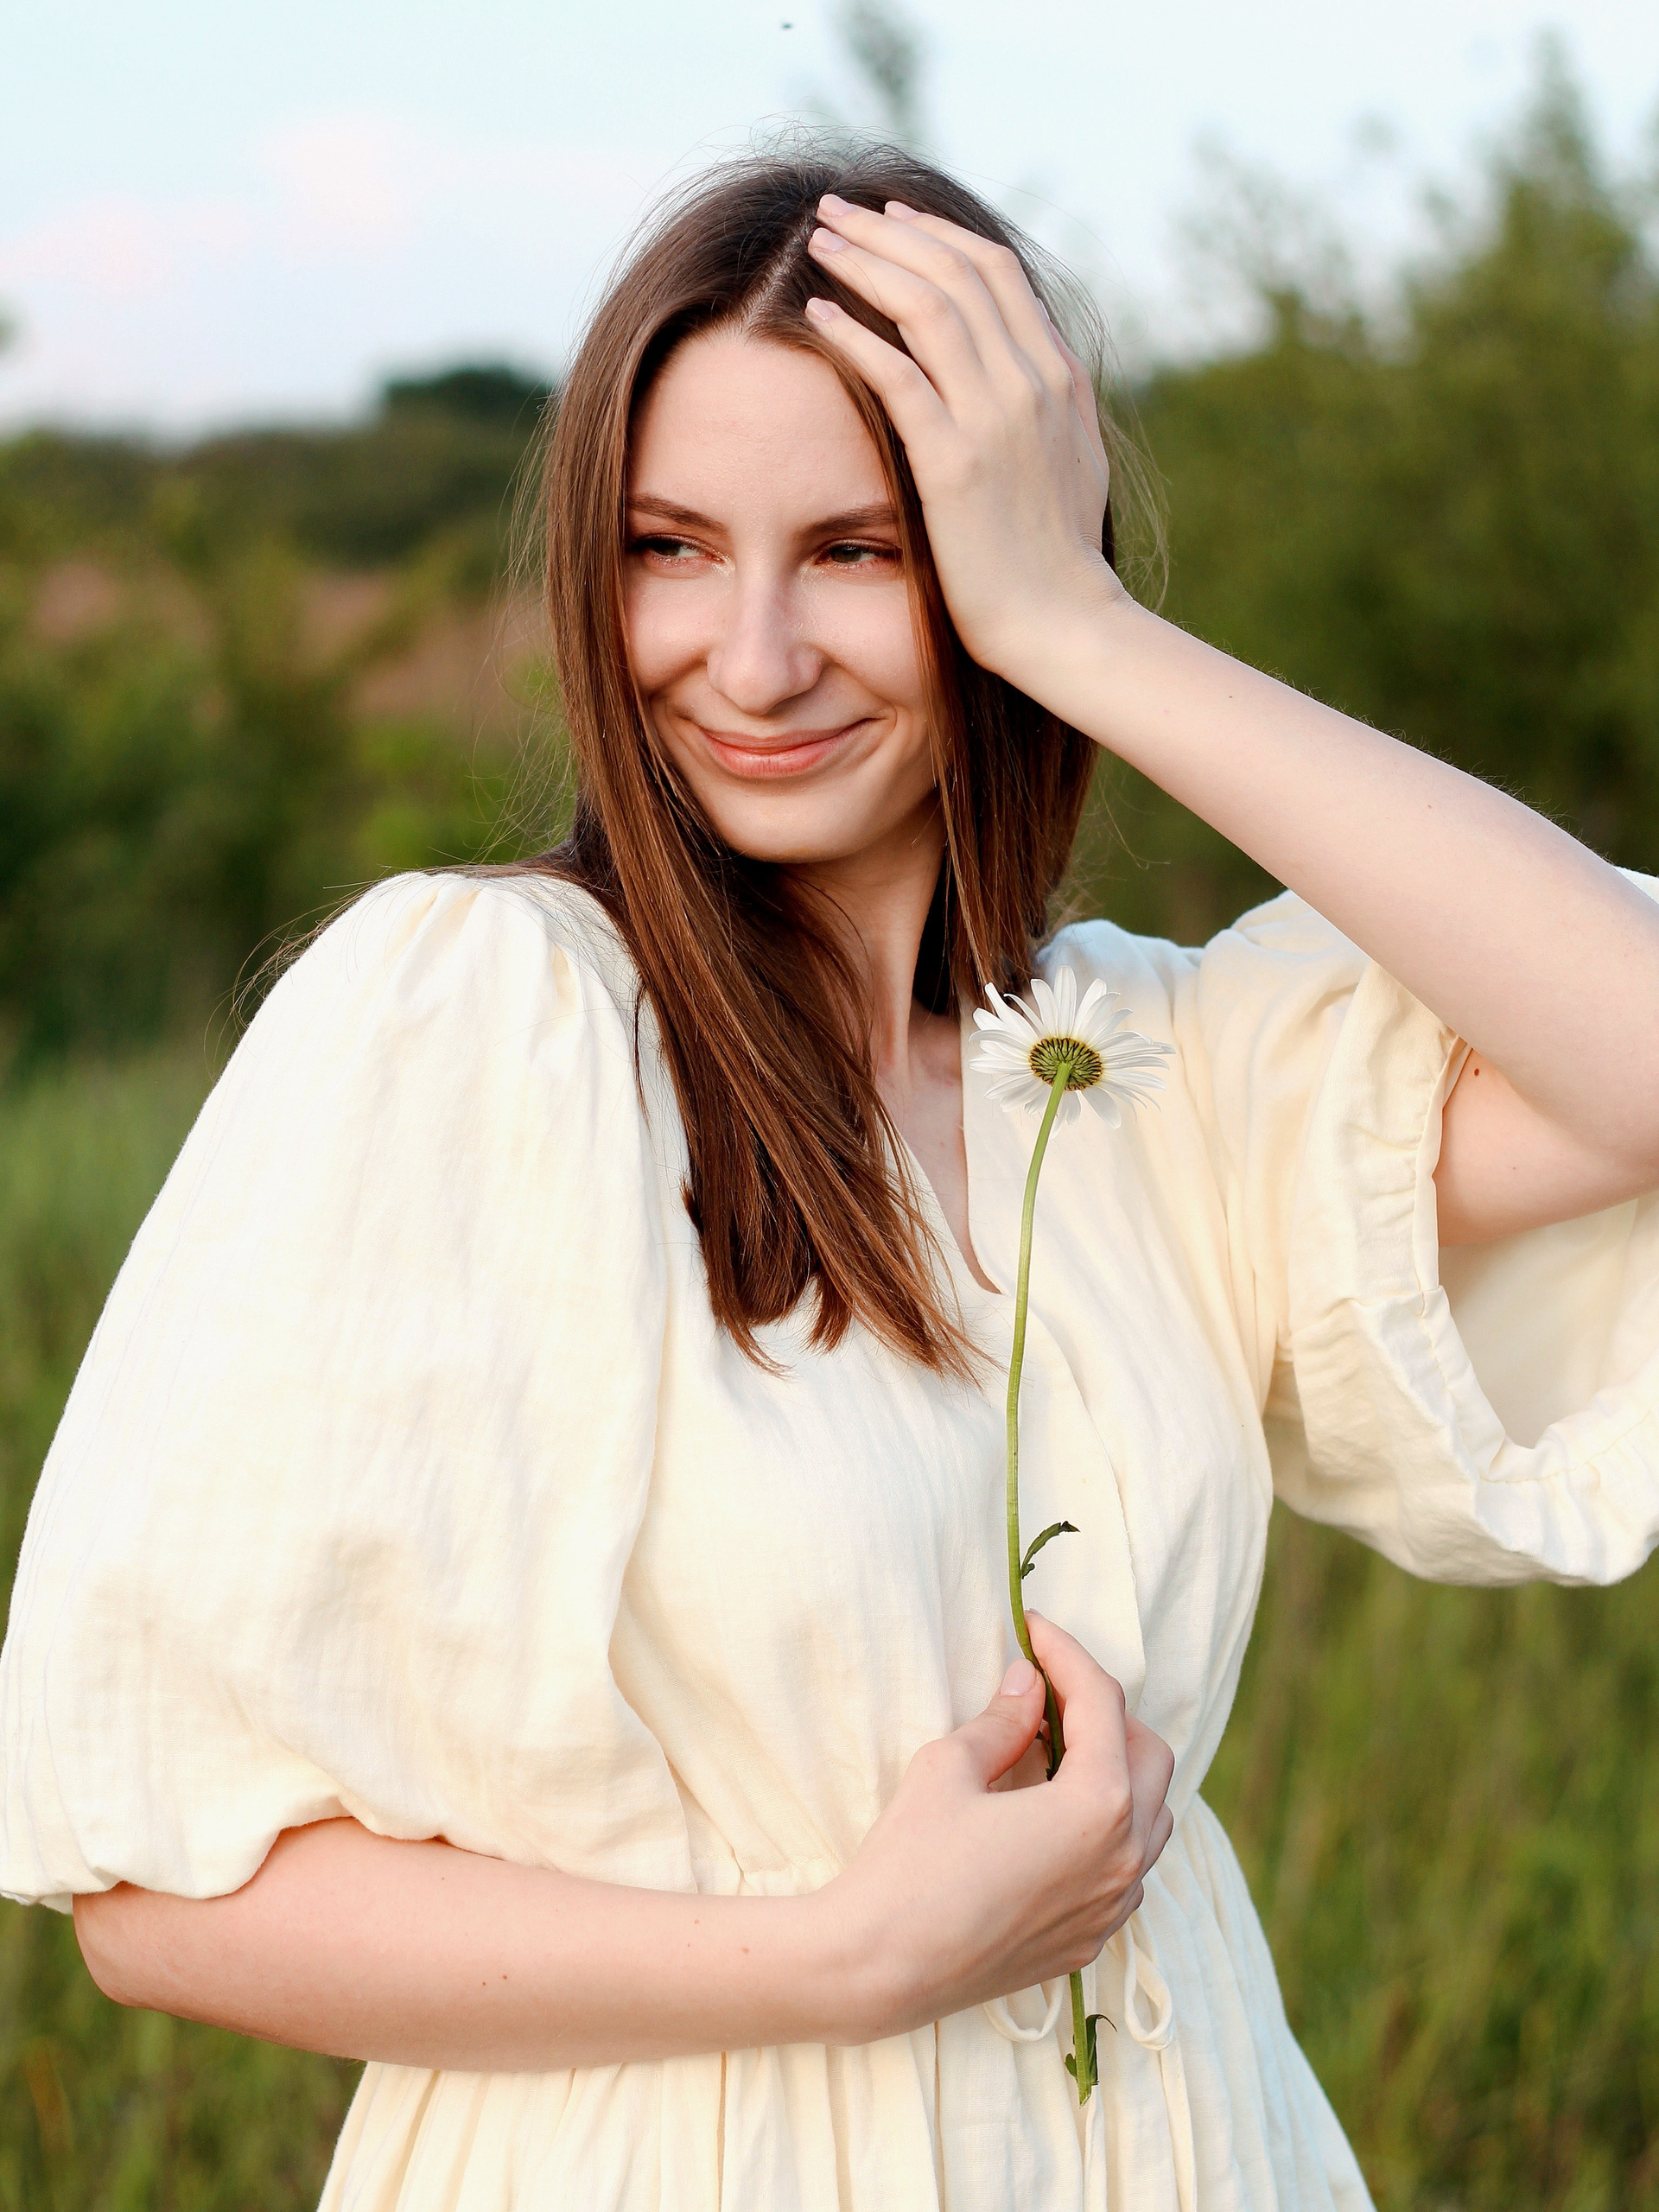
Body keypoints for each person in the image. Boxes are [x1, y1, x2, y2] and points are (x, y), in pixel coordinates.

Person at [3, 143, 1657, 2212]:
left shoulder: (1148, 1069)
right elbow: (166, 1901)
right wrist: (850, 1952)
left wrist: (1084, 631)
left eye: (860, 549)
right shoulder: (487, 1018)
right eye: (671, 548)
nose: (755, 654)